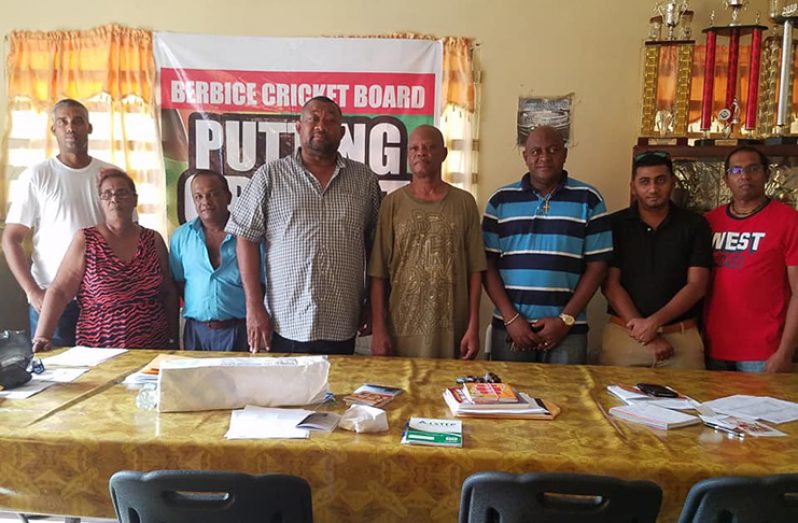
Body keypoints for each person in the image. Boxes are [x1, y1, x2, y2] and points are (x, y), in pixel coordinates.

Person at [226, 96, 381, 355]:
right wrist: (253, 305)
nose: (321, 126)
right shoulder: (270, 176)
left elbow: (374, 246)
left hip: (342, 319)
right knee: (287, 395)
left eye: (330, 120)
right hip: (284, 321)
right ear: (299, 127)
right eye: (314, 119)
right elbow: (246, 236)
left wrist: (371, 304)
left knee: (338, 393)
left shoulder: (363, 180)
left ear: (342, 132)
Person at [482, 126, 612, 364]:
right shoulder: (500, 201)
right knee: (508, 397)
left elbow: (598, 267)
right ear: (525, 157)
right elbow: (487, 265)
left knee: (567, 400)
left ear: (564, 154)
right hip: (511, 329)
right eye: (536, 151)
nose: (544, 157)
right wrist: (512, 319)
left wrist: (565, 320)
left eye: (552, 150)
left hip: (567, 332)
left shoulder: (589, 199)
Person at [2, 99, 118, 346]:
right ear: (53, 129)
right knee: (54, 378)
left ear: (89, 127)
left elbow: (125, 233)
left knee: (105, 375)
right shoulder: (37, 175)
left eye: (78, 121)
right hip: (53, 301)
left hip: (102, 301)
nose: (70, 127)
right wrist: (32, 292)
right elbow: (11, 238)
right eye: (63, 121)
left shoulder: (109, 175)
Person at [369, 125, 486, 359]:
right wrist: (378, 329)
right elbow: (378, 273)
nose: (421, 153)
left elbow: (476, 270)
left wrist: (474, 327)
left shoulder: (465, 203)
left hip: (453, 330)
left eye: (429, 147)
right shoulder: (392, 204)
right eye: (415, 148)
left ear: (443, 153)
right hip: (401, 331)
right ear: (407, 156)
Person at [31, 169, 178, 352]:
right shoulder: (86, 240)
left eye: (122, 193)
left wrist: (174, 339)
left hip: (152, 346)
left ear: (135, 200)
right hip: (99, 348)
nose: (114, 199)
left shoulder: (153, 240)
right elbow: (60, 291)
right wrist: (42, 336)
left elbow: (168, 292)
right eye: (107, 195)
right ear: (100, 202)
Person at [601, 151, 712, 369]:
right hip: (624, 337)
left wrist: (654, 323)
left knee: (689, 403)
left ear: (672, 182)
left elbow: (697, 285)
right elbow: (610, 286)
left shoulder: (695, 225)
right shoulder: (615, 224)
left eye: (660, 180)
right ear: (633, 186)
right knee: (612, 403)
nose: (653, 189)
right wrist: (646, 334)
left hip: (681, 339)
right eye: (645, 182)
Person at [704, 146, 798, 373]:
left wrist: (784, 352)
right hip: (712, 348)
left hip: (764, 352)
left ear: (767, 174)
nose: (744, 176)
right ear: (726, 178)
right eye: (736, 170)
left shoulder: (789, 221)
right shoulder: (709, 221)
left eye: (753, 169)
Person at [169, 170, 264, 351]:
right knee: (197, 380)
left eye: (213, 194)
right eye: (198, 196)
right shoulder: (181, 237)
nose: (205, 201)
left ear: (228, 197)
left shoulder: (250, 237)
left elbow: (262, 285)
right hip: (197, 333)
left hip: (241, 331)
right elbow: (179, 283)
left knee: (241, 379)